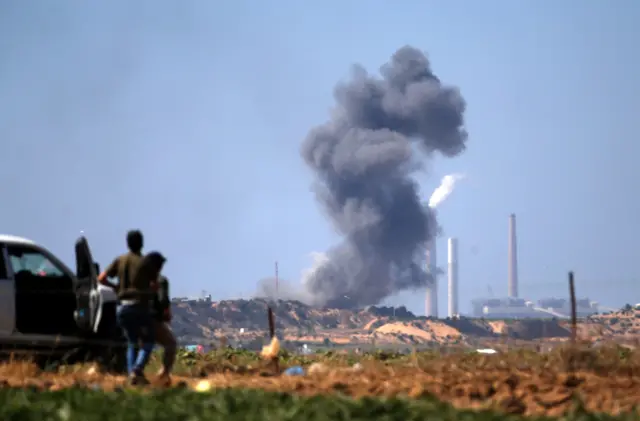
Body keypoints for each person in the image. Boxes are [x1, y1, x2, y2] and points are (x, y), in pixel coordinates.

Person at [97, 230, 157, 384]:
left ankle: (133, 377)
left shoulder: (120, 260)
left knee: (132, 342)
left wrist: (116, 288)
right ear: (141, 243)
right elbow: (155, 286)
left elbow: (101, 278)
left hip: (123, 309)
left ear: (127, 243)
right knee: (149, 340)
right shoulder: (146, 262)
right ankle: (137, 368)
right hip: (140, 308)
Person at [153, 275, 177, 382]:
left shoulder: (136, 281)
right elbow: (163, 300)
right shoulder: (160, 280)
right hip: (153, 318)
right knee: (171, 343)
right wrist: (165, 313)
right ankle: (164, 373)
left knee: (138, 345)